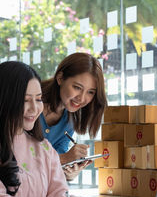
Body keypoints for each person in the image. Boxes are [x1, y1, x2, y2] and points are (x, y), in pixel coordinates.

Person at [0, 61, 143, 197]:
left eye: (39, 99)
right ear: (4, 101)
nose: (35, 108)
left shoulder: (44, 148)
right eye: (26, 100)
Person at [40, 53, 107, 181]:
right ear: (60, 78)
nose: (81, 98)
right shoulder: (29, 106)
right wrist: (64, 159)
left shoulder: (69, 121)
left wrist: (69, 173)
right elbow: (18, 160)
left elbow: (53, 165)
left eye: (90, 92)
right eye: (77, 87)